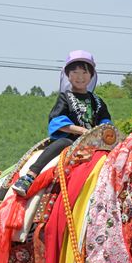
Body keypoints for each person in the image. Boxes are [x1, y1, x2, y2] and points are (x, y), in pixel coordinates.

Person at [12, 50, 111, 196]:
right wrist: (82, 131)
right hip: (70, 140)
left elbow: (106, 122)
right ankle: (30, 176)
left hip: (94, 143)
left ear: (91, 75)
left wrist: (103, 131)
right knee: (62, 142)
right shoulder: (65, 97)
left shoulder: (97, 101)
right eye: (75, 72)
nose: (80, 77)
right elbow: (57, 120)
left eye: (84, 72)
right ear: (68, 75)